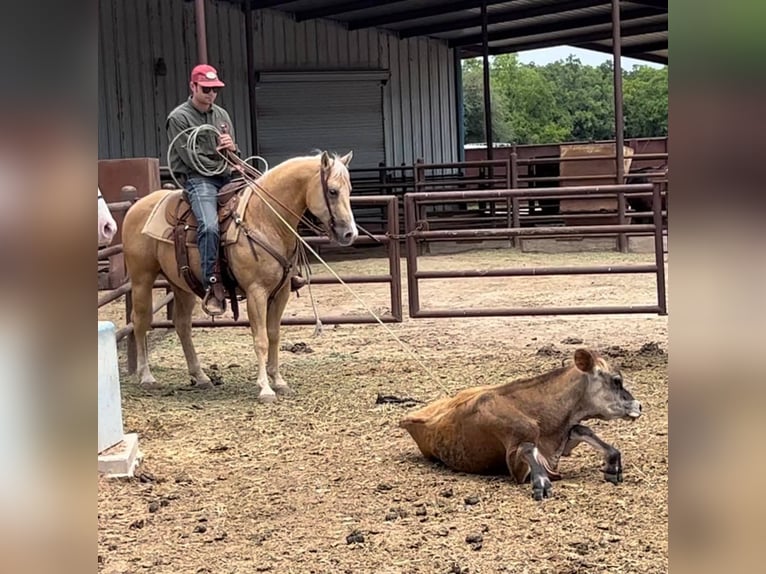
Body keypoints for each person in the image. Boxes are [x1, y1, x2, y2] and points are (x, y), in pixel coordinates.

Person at [166, 64, 238, 316]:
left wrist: (232, 149)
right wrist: (221, 161)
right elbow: (190, 158)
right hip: (199, 179)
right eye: (206, 89)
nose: (211, 94)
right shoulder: (179, 118)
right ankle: (212, 285)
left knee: (263, 203)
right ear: (193, 87)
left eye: (215, 90)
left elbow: (233, 152)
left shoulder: (222, 115)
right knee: (208, 225)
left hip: (227, 175)